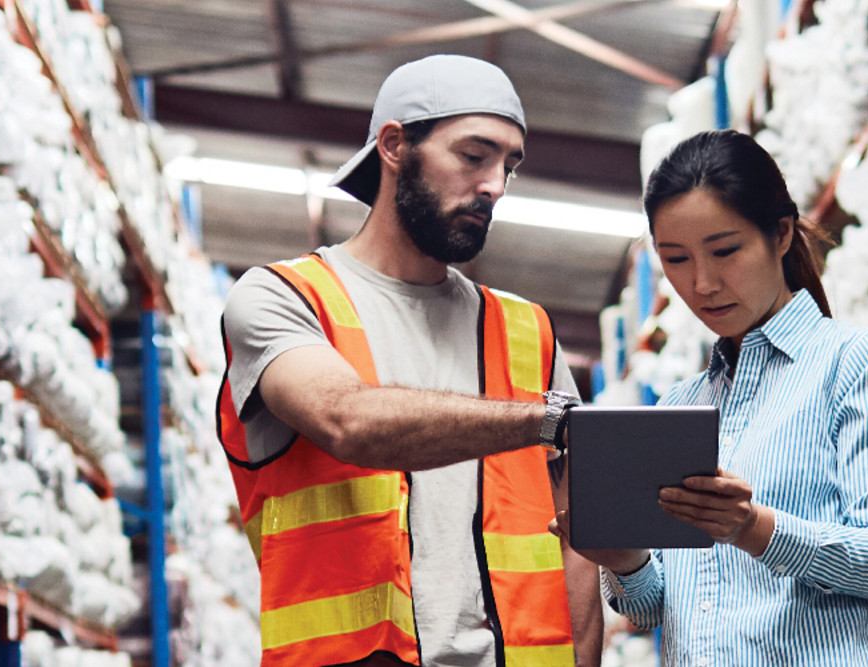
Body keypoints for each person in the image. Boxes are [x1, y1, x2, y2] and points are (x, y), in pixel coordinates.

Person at [217, 55, 602, 667]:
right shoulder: (283, 298)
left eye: (509, 164)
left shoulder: (529, 332)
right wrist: (545, 420)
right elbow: (347, 420)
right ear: (394, 145)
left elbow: (581, 528)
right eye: (474, 156)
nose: (496, 185)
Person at [554, 130, 868, 666]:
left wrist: (754, 528)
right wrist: (623, 557)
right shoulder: (679, 408)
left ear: (780, 234)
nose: (703, 283)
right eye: (676, 259)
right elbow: (657, 607)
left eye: (725, 251)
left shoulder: (859, 362)